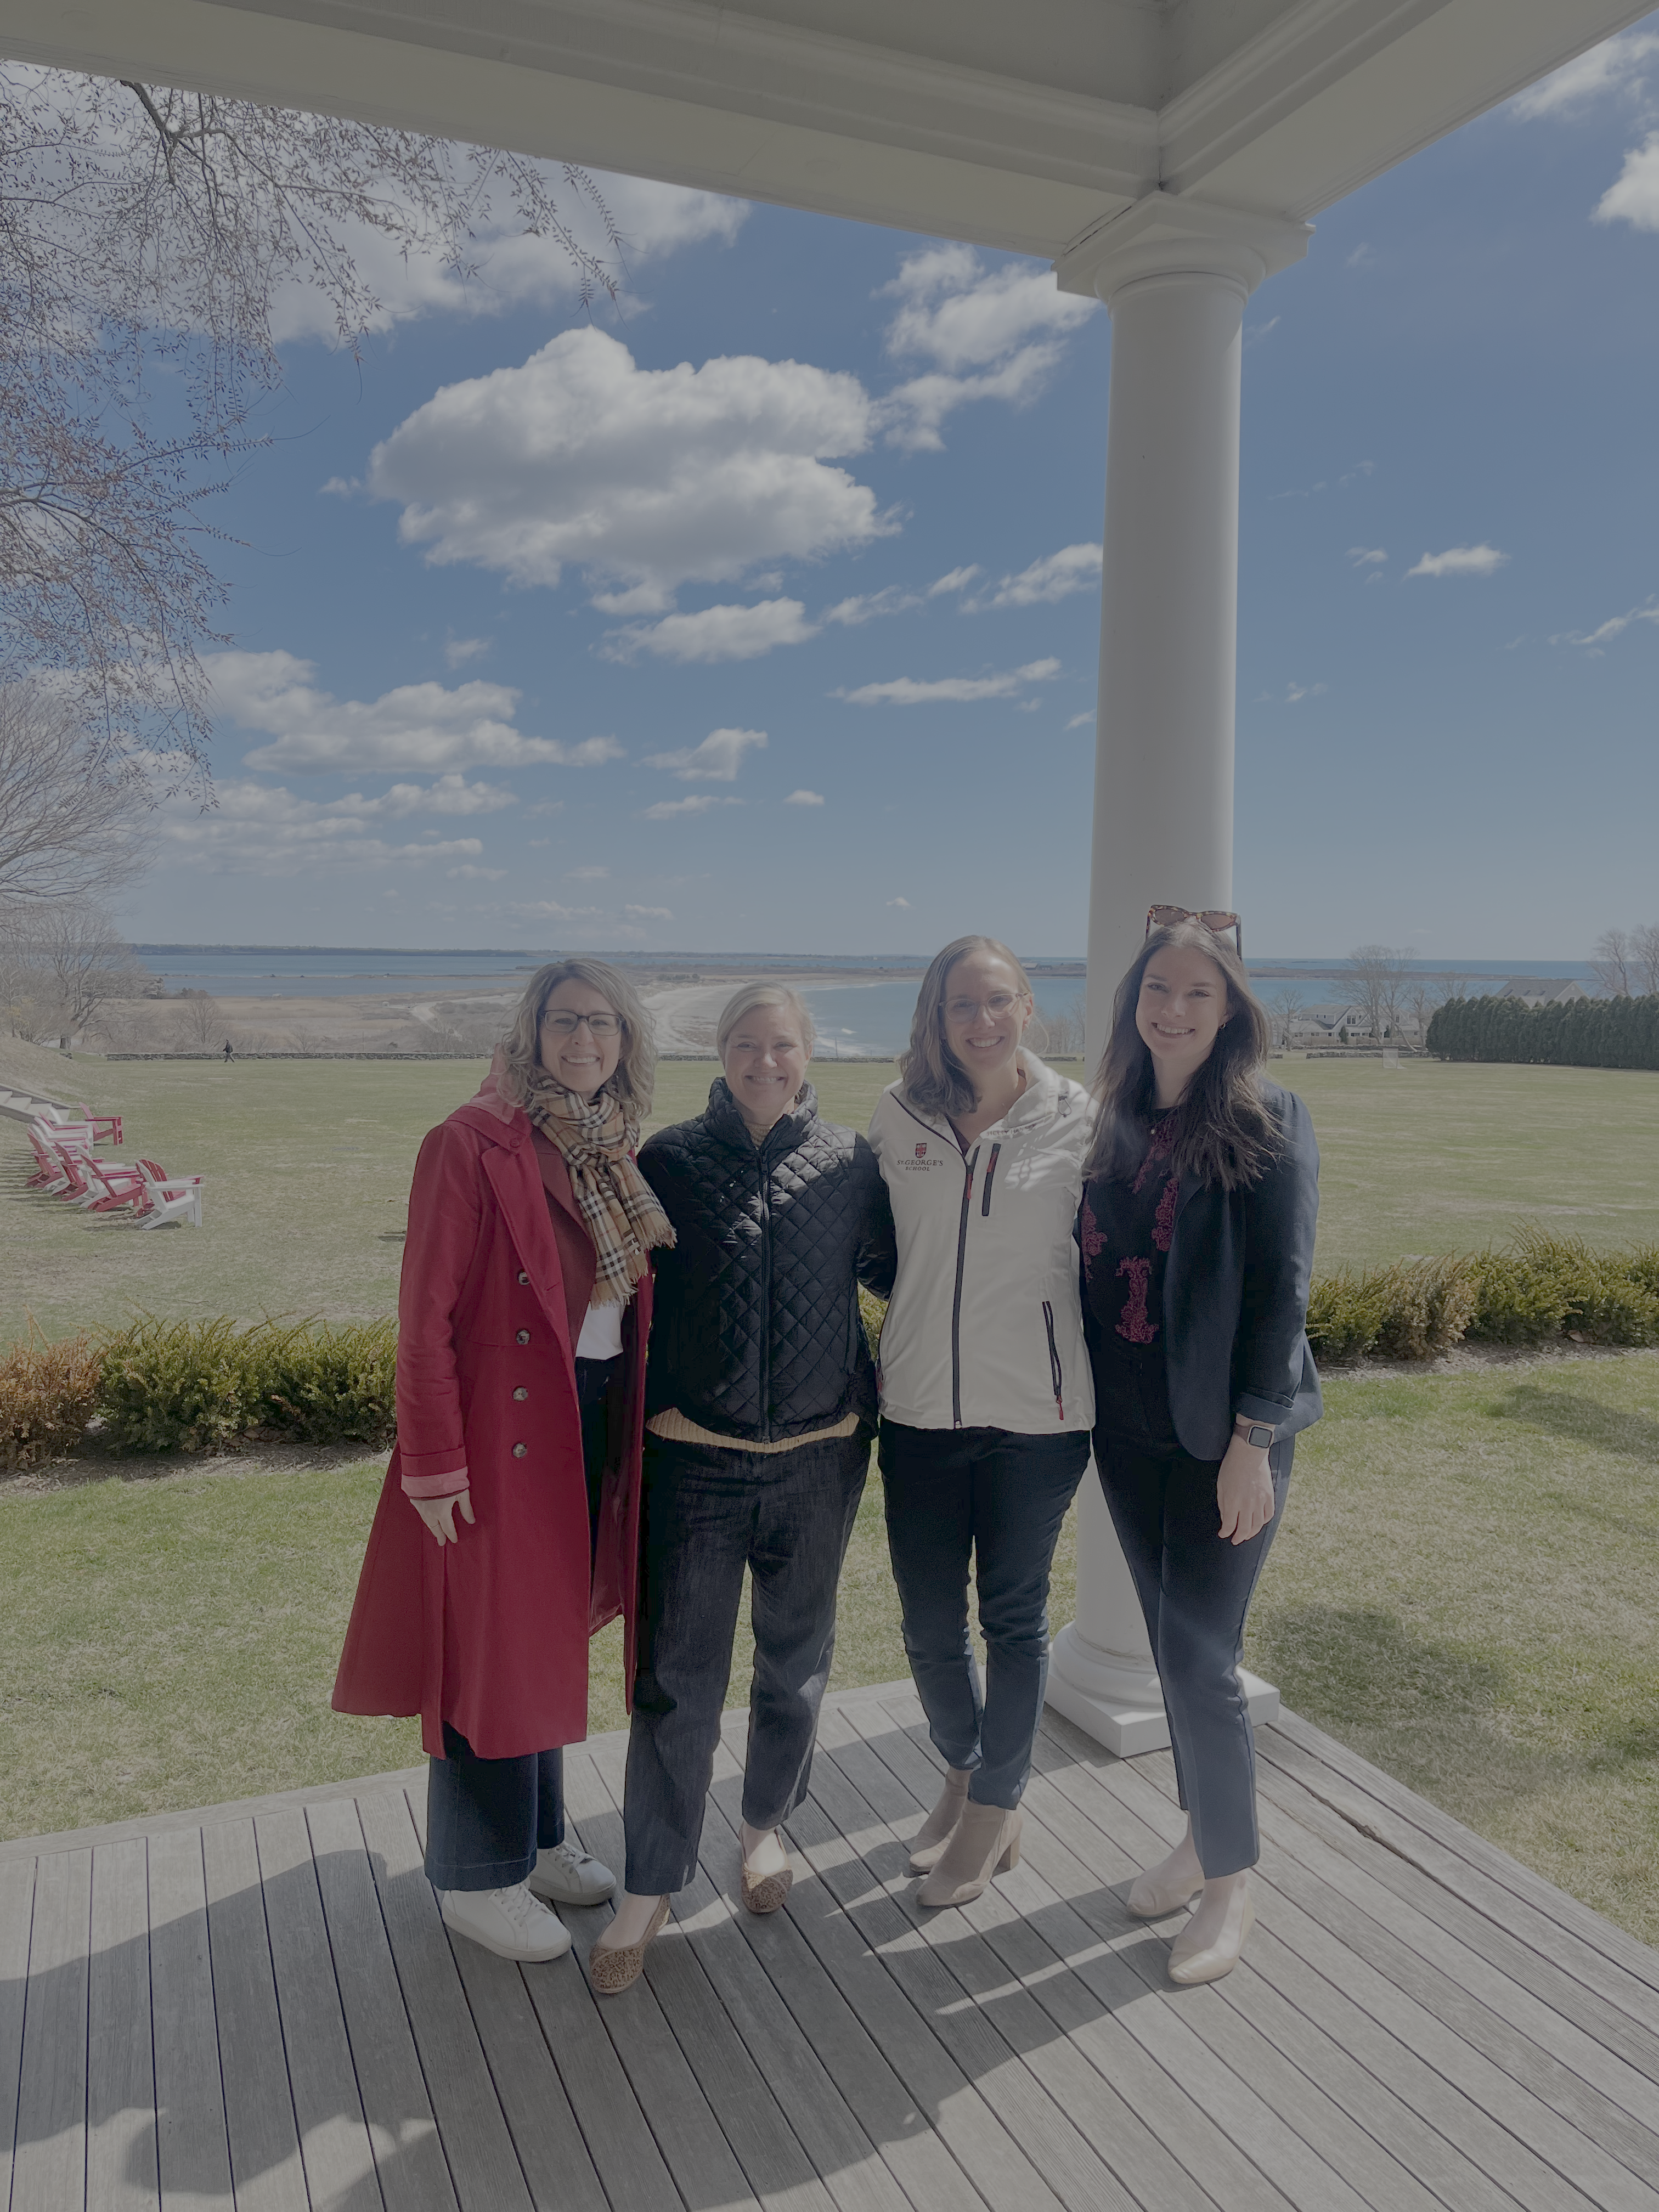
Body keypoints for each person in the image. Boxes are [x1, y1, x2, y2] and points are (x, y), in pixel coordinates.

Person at [332, 960, 674, 1962]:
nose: (584, 1041)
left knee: (543, 1638)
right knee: (490, 1646)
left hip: (595, 1418)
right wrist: (432, 1461)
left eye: (602, 1024)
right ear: (530, 1033)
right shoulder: (470, 1143)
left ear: (625, 1038)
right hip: (498, 1441)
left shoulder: (612, 1147)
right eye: (564, 1022)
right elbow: (424, 1317)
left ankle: (533, 1835)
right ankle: (475, 1879)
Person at [588, 984, 895, 1994]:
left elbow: (909, 1274)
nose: (766, 1062)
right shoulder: (667, 1161)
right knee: (678, 1679)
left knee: (795, 1661)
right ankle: (652, 1879)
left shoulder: (855, 1164)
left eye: (784, 1045)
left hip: (819, 1459)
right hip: (699, 1465)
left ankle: (765, 1829)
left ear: (810, 1053)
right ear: (717, 1052)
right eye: (746, 1044)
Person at [1080, 911, 1321, 1985]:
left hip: (1226, 1439)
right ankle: (1197, 1837)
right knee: (1175, 1654)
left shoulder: (1269, 1121)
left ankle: (1232, 1886)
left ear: (1230, 1013)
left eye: (1197, 993)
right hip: (1129, 1437)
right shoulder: (1115, 1118)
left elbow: (1283, 1291)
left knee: (1200, 1660)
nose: (1173, 1010)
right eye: (1157, 991)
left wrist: (1252, 1444)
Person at [867, 936, 1094, 1909]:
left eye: (999, 1000)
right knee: (926, 1626)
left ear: (1029, 1008)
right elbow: (877, 1250)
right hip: (918, 1411)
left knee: (1012, 1618)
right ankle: (963, 1771)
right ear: (936, 1015)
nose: (982, 1020)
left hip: (1039, 1421)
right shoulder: (897, 1114)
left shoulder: (1080, 1120)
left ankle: (998, 1809)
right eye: (963, 1003)